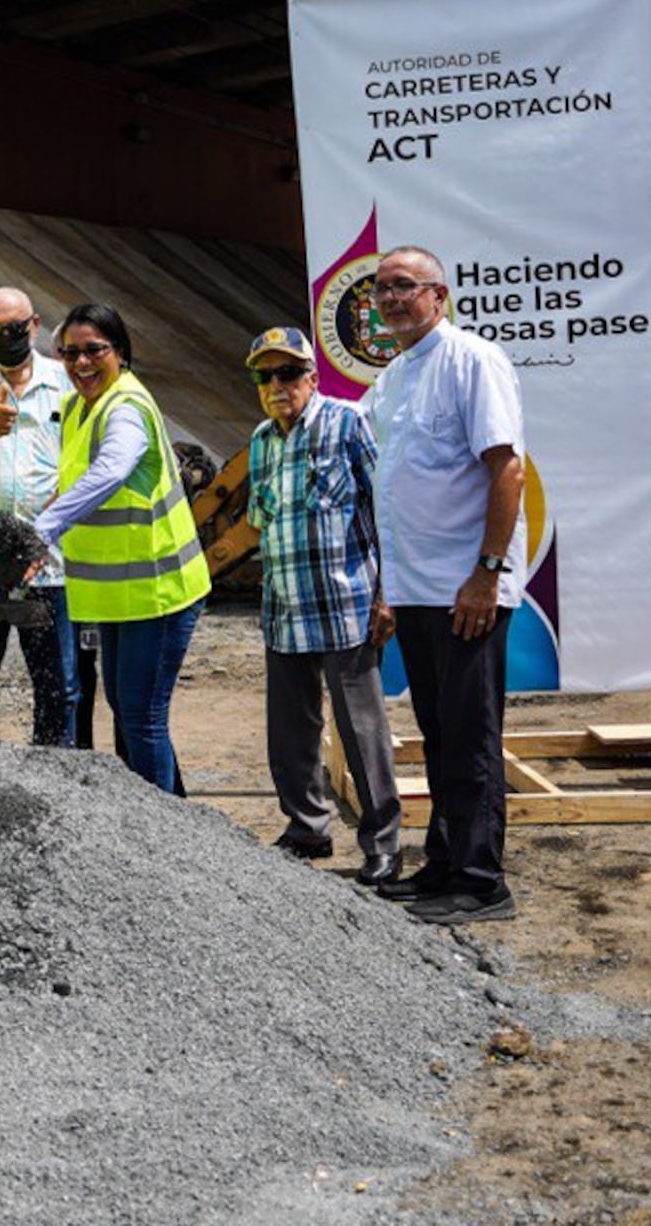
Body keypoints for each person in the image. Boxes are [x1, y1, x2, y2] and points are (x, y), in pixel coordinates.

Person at [362, 246, 528, 925]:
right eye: (381, 290)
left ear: (439, 295)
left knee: (471, 736)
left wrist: (486, 574)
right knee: (438, 733)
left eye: (405, 286)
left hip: (467, 589)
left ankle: (483, 882)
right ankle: (445, 863)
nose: (392, 299)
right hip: (420, 591)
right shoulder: (396, 376)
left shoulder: (472, 361)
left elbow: (507, 470)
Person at [243, 327, 403, 887]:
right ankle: (306, 828)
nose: (277, 385)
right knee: (289, 732)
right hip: (284, 609)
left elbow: (387, 509)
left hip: (346, 607)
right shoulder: (262, 440)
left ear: (311, 376)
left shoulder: (347, 422)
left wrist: (389, 595)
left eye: (288, 373)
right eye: (266, 376)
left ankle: (383, 845)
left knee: (362, 733)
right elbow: (261, 522)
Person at [32, 303, 211, 795]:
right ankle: (178, 818)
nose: (81, 364)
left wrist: (42, 530)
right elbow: (72, 483)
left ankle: (163, 830)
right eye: (70, 354)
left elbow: (111, 470)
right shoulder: (76, 408)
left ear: (121, 353)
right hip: (119, 594)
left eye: (94, 351)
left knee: (142, 715)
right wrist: (30, 536)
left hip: (160, 589)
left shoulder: (126, 407)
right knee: (130, 709)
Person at [0, 288, 78, 747]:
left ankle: (56, 771)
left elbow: (81, 466)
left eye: (15, 327)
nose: (7, 337)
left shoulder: (65, 382)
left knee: (56, 685)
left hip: (49, 564)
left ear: (35, 324)